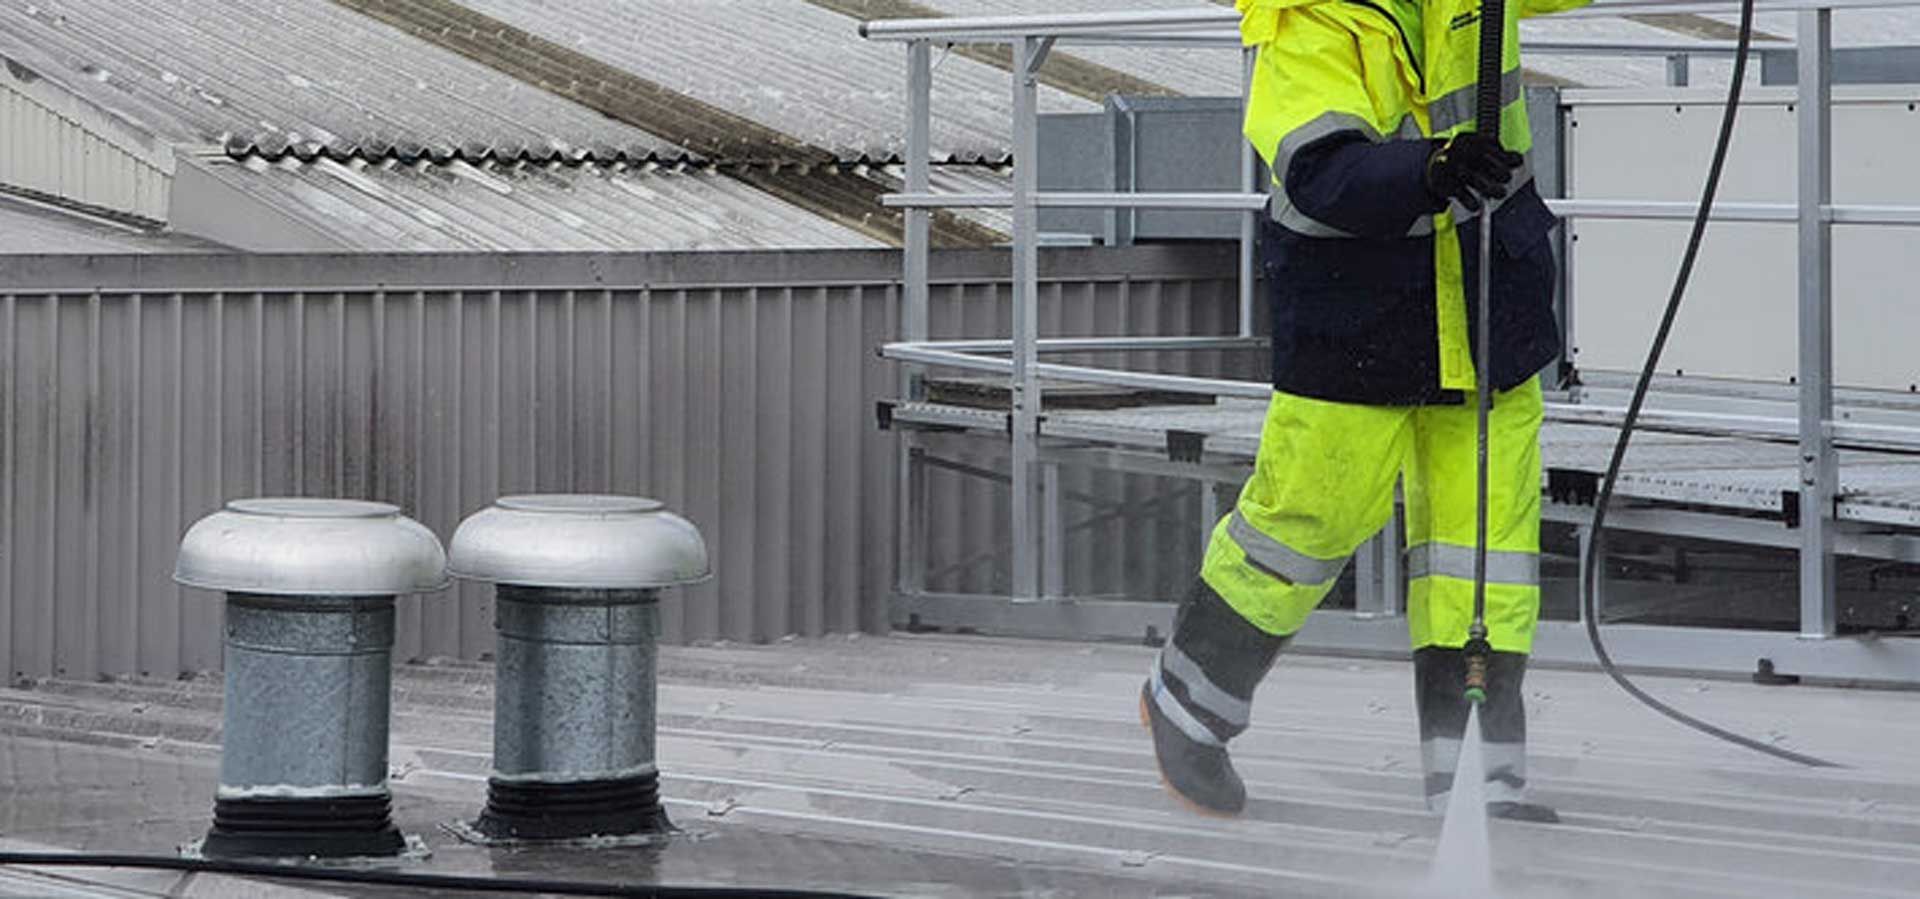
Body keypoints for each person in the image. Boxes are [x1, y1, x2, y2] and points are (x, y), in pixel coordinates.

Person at [1140, 0, 1587, 822]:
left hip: (1487, 307)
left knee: (1482, 546)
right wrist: (1428, 170)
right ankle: (1188, 702)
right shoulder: (1304, 21)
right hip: (1360, 316)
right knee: (1304, 522)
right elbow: (1320, 168)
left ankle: (1477, 776)